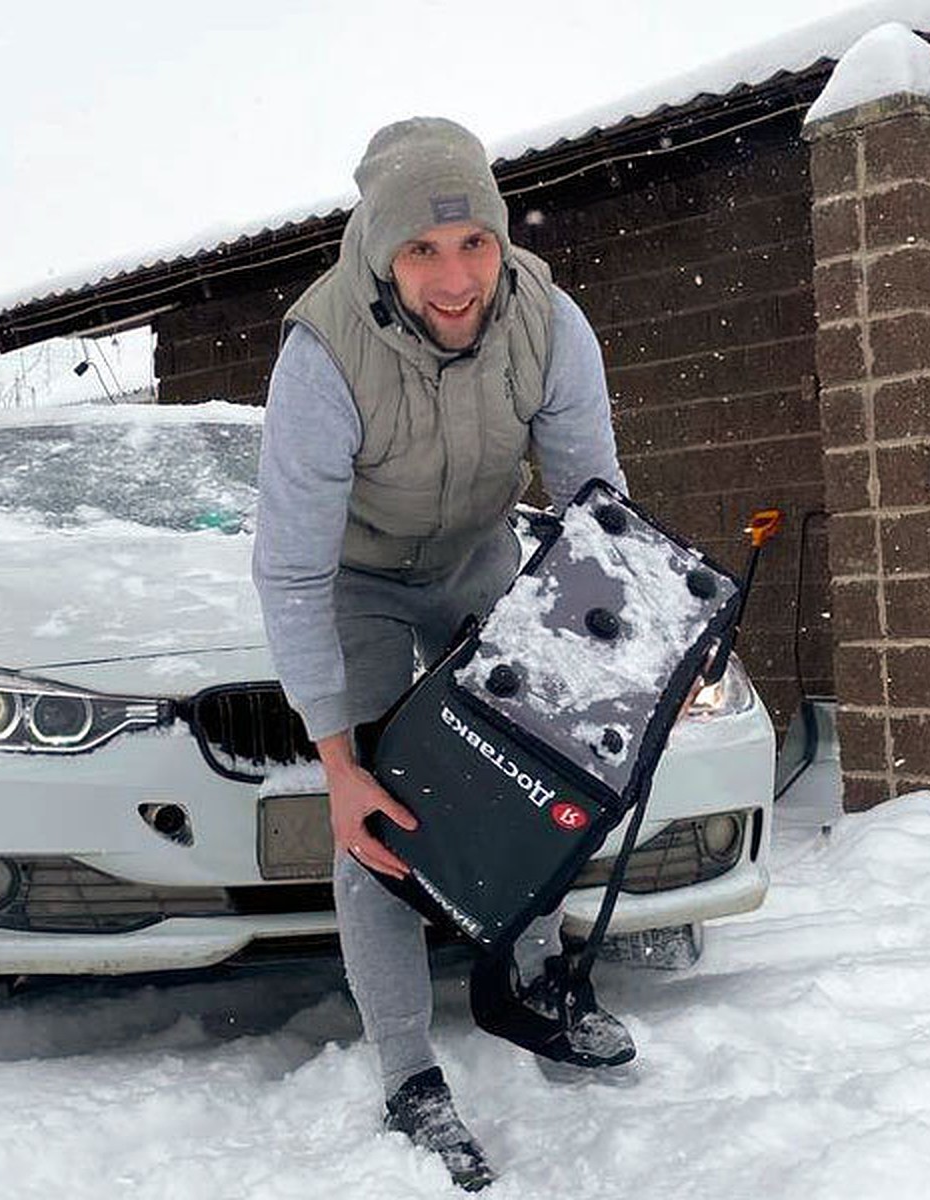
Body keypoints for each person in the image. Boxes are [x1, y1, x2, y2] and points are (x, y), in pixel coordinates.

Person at [252, 116, 632, 1191]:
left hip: (476, 553)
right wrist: (335, 765)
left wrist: (632, 646)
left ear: (502, 240)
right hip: (356, 578)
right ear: (382, 254)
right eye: (423, 250)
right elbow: (287, 572)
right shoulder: (322, 354)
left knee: (548, 759)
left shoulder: (551, 321)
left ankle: (528, 978)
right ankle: (409, 1070)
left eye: (474, 245)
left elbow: (593, 511)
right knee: (382, 811)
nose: (456, 278)